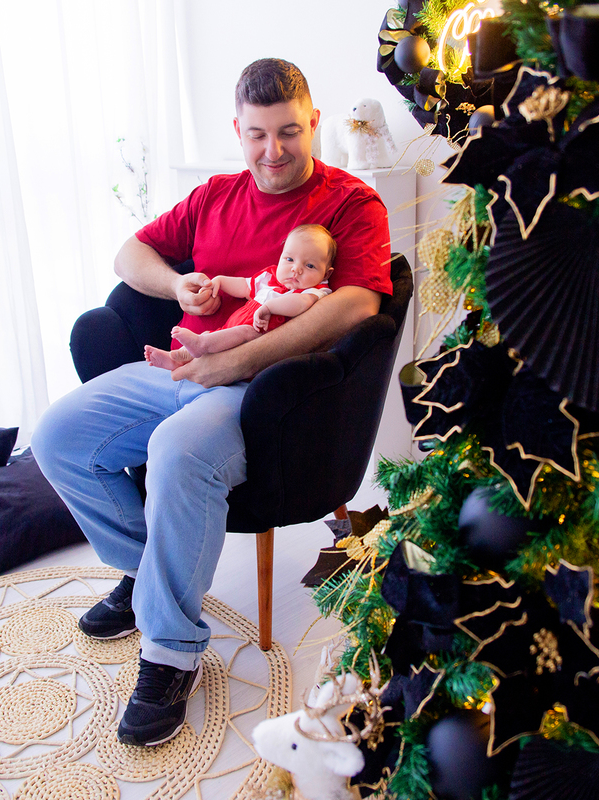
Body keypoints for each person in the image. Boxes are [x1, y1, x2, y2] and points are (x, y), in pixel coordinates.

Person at [31, 58, 391, 748]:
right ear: (238, 130)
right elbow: (129, 254)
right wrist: (177, 286)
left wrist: (245, 357)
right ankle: (147, 580)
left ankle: (171, 653)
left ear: (313, 122)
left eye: (289, 132)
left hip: (265, 392)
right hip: (182, 367)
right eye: (257, 135)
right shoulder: (214, 195)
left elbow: (360, 304)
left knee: (176, 452)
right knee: (58, 437)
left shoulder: (350, 203)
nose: (273, 151)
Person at [143, 223, 336, 371]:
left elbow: (301, 304)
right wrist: (220, 282)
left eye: (309, 266)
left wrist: (270, 308)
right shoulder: (270, 276)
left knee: (237, 333)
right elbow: (244, 286)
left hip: (260, 336)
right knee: (214, 336)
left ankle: (197, 346)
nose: (296, 269)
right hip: (235, 325)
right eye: (289, 259)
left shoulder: (315, 290)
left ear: (326, 274)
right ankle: (176, 358)